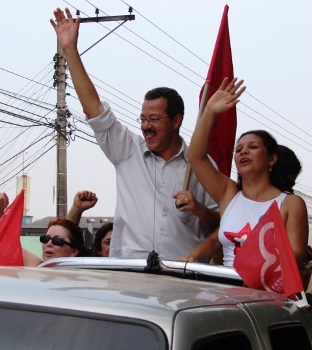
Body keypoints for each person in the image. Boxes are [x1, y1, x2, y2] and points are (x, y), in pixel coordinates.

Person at [50, 8, 220, 260]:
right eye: (142, 119)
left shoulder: (201, 165)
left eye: (154, 119)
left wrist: (199, 210)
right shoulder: (127, 150)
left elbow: (220, 224)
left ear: (176, 120)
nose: (146, 126)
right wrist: (70, 50)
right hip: (130, 278)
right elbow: (95, 110)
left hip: (182, 281)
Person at [180, 77, 308, 273]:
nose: (243, 152)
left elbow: (296, 254)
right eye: (238, 150)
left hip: (266, 296)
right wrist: (210, 111)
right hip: (226, 291)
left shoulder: (291, 203)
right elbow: (195, 157)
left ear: (272, 159)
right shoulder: (229, 193)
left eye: (253, 147)